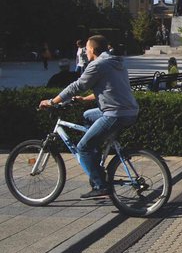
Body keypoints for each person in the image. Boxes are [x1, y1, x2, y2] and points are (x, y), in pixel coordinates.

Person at [39, 35, 139, 199]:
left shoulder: (98, 65)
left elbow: (77, 86)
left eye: (86, 48)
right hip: (129, 111)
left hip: (115, 113)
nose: (85, 51)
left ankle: (100, 185)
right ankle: (96, 154)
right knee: (87, 116)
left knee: (83, 148)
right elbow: (109, 89)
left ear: (92, 49)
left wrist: (52, 101)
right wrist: (85, 99)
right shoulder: (115, 63)